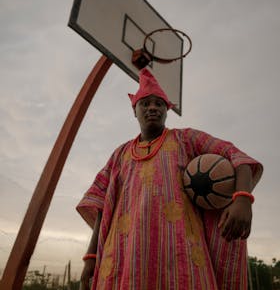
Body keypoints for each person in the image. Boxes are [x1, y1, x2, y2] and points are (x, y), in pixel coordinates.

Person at [77, 68, 263, 290]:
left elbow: (237, 156)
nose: (153, 107)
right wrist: (91, 256)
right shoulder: (119, 154)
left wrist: (243, 199)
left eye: (159, 104)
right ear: (134, 111)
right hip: (125, 257)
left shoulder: (187, 139)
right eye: (145, 103)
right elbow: (100, 205)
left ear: (167, 110)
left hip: (181, 254)